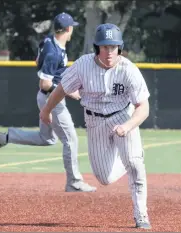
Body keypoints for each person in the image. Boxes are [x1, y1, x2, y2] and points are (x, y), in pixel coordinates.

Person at [39, 23, 152, 229]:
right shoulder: (83, 65)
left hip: (122, 116)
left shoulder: (128, 70)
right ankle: (130, 159)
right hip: (95, 121)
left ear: (120, 47)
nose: (109, 51)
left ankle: (141, 214)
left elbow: (143, 107)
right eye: (104, 46)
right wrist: (46, 110)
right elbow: (62, 89)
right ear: (97, 47)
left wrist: (127, 126)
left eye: (113, 46)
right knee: (105, 178)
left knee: (135, 165)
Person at [0, 12, 96, 193]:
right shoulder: (54, 52)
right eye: (72, 28)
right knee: (71, 140)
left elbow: (37, 61)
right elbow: (45, 84)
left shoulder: (48, 42)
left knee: (47, 139)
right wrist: (67, 91)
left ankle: (4, 137)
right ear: (68, 29)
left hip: (47, 96)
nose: (72, 32)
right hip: (50, 99)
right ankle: (74, 181)